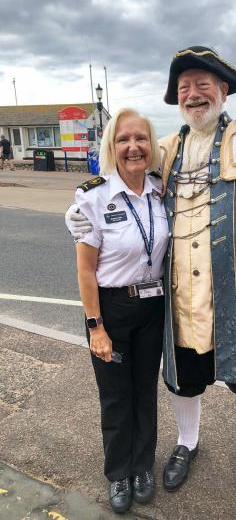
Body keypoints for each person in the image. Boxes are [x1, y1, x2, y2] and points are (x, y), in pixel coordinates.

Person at [67, 46, 236, 505]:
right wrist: (79, 211)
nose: (193, 95)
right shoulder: (165, 152)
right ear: (177, 98)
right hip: (178, 295)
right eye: (184, 88)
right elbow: (123, 186)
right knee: (184, 376)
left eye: (202, 85)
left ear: (223, 91)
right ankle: (187, 442)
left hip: (235, 290)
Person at [74, 108, 169, 514]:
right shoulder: (92, 197)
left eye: (141, 138)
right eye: (123, 139)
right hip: (110, 310)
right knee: (115, 396)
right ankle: (118, 473)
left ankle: (142, 466)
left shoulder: (160, 190)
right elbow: (85, 268)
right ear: (112, 146)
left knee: (145, 390)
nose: (133, 147)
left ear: (152, 145)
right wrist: (95, 326)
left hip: (153, 306)